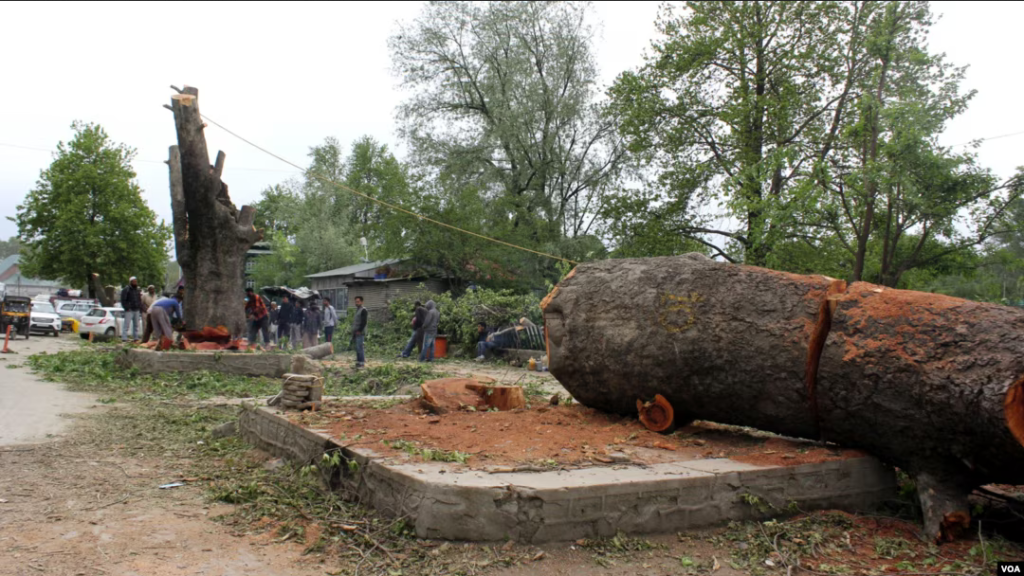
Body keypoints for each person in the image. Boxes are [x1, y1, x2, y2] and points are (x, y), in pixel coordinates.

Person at [120, 276, 143, 342]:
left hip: (136, 309)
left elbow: (139, 299)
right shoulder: (126, 289)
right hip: (129, 310)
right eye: (134, 281)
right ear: (130, 282)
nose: (135, 283)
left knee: (136, 325)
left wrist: (139, 306)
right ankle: (124, 338)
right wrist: (127, 307)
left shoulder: (137, 290)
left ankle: (135, 338)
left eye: (136, 281)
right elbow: (123, 300)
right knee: (126, 325)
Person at [350, 296, 368, 368]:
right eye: (356, 301)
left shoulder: (363, 310)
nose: (356, 303)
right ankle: (358, 362)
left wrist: (359, 330)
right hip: (356, 332)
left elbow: (364, 322)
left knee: (359, 347)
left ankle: (361, 363)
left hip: (360, 332)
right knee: (357, 347)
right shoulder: (357, 310)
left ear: (361, 302)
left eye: (358, 301)